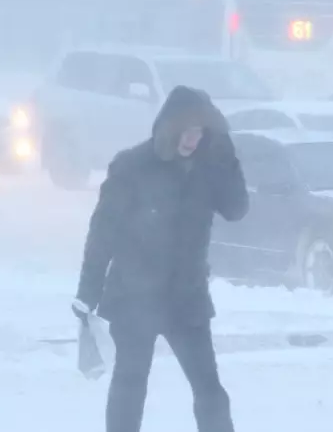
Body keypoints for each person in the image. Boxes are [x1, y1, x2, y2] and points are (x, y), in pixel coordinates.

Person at [72, 85, 249, 432]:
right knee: (130, 387)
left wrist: (227, 157)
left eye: (199, 131)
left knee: (209, 389)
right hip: (135, 296)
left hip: (187, 298)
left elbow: (236, 210)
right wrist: (87, 293)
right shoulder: (132, 167)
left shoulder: (208, 169)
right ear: (168, 127)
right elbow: (102, 233)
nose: (191, 139)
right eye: (185, 130)